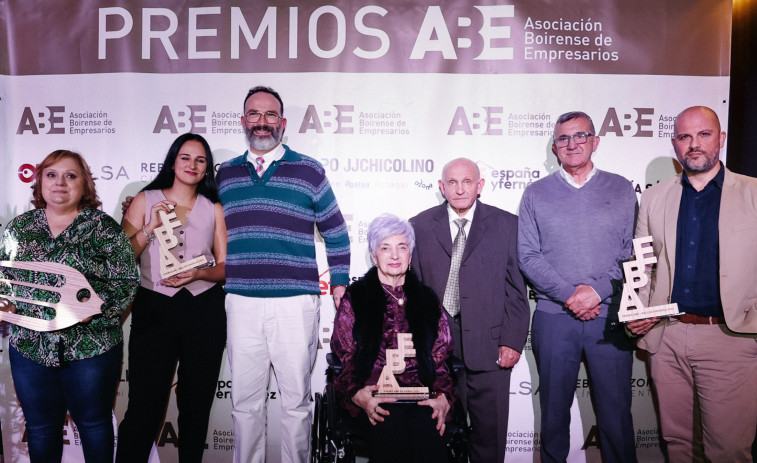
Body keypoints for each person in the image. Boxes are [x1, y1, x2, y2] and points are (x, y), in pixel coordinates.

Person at [216, 85, 351, 463]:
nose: (262, 122)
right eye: (255, 115)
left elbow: (337, 232)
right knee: (244, 404)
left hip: (296, 302)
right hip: (241, 300)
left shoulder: (308, 170)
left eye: (270, 115)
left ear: (283, 123)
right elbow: (195, 219)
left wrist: (339, 282)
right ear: (243, 121)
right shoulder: (224, 175)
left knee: (296, 402)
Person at [627, 106, 757, 462]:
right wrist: (637, 314)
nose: (694, 144)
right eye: (685, 137)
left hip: (730, 339)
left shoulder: (753, 194)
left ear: (722, 139)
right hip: (667, 338)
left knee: (727, 451)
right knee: (677, 446)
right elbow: (643, 264)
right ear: (675, 145)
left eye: (704, 134)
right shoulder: (655, 197)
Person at [0, 150, 139, 462]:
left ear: (84, 184)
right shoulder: (19, 228)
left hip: (92, 347)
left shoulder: (103, 228)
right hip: (31, 347)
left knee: (94, 425)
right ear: (39, 182)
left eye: (70, 175)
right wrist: (5, 302)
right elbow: (3, 277)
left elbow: (127, 280)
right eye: (51, 175)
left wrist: (97, 310)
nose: (60, 182)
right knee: (40, 429)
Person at [517, 111, 637, 463]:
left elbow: (631, 250)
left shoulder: (620, 187)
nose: (572, 144)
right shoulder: (536, 193)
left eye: (580, 136)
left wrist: (597, 291)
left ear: (595, 141)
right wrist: (570, 295)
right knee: (553, 416)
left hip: (609, 315)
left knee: (616, 416)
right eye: (563, 139)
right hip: (554, 318)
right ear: (555, 148)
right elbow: (528, 255)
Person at [409, 157, 530, 462]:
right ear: (441, 187)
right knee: (438, 435)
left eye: (467, 182)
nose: (460, 189)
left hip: (491, 348)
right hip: (438, 352)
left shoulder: (508, 225)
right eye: (452, 182)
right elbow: (415, 292)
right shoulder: (419, 226)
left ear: (480, 186)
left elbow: (517, 289)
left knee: (490, 437)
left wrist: (512, 340)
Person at [116, 133, 227, 462]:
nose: (192, 165)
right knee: (144, 407)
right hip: (154, 309)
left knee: (196, 406)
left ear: (207, 168)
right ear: (173, 161)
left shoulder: (214, 207)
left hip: (204, 309)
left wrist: (199, 274)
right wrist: (148, 227)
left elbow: (225, 267)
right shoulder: (145, 199)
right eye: (185, 157)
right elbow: (122, 257)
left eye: (200, 160)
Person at [330, 214, 454, 463]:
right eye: (385, 248)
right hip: (375, 396)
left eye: (402, 247)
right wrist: (356, 394)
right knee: (391, 431)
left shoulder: (427, 300)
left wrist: (443, 397)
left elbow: (441, 355)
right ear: (374, 256)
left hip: (421, 397)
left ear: (410, 254)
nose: (395, 256)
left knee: (431, 439)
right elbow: (344, 355)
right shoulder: (356, 298)